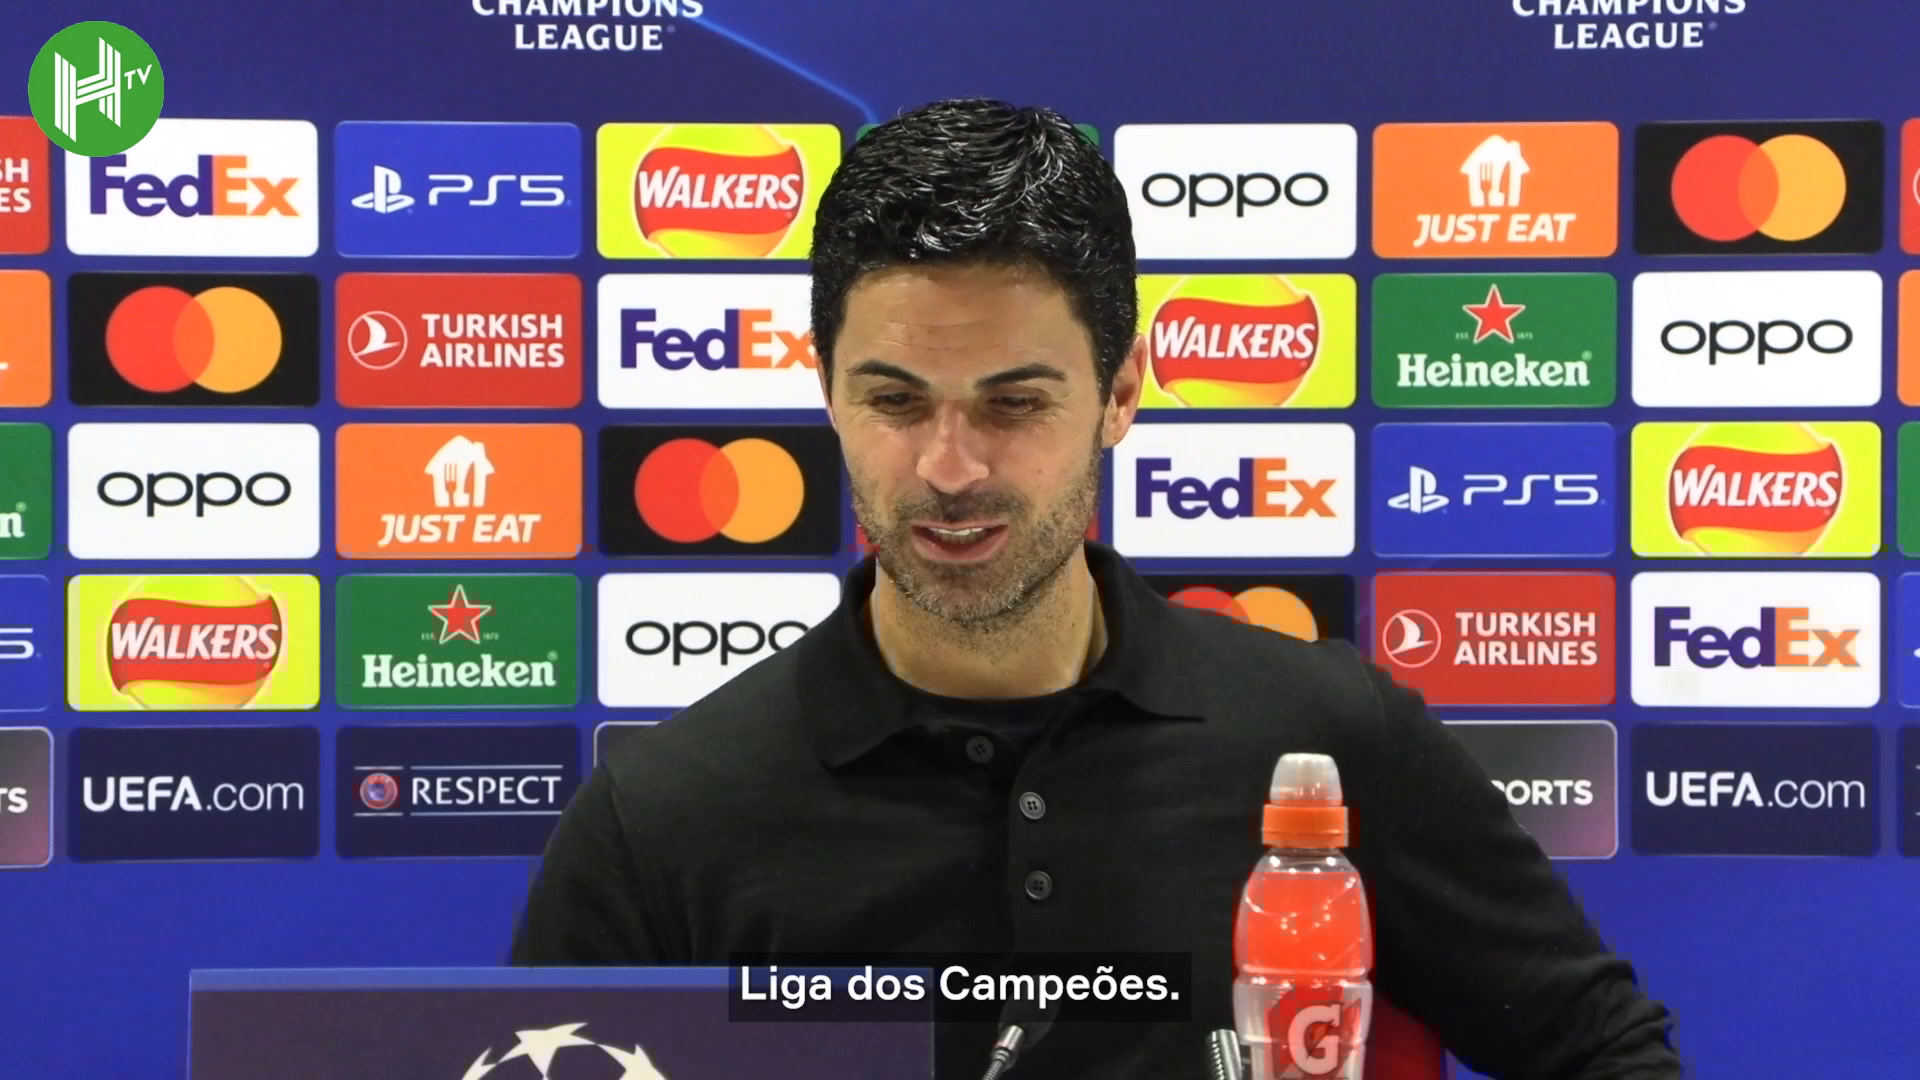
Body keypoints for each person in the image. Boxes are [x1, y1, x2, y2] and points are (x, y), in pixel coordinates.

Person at [511, 98, 1682, 1079]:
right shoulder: (661, 820)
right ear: (826, 390)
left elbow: (1608, 1055)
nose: (949, 468)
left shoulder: (1329, 739)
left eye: (1014, 404)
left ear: (1121, 393)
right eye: (896, 401)